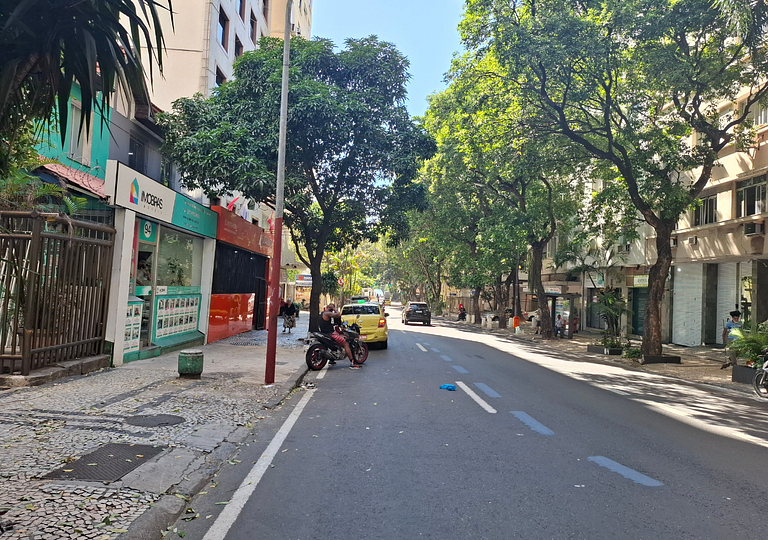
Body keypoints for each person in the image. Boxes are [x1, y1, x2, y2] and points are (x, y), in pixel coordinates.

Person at [319, 303, 357, 368]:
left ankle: (331, 359)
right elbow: (338, 314)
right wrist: (334, 309)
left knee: (334, 344)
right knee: (345, 344)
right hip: (330, 334)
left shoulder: (322, 313)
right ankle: (352, 361)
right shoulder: (327, 313)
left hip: (324, 333)